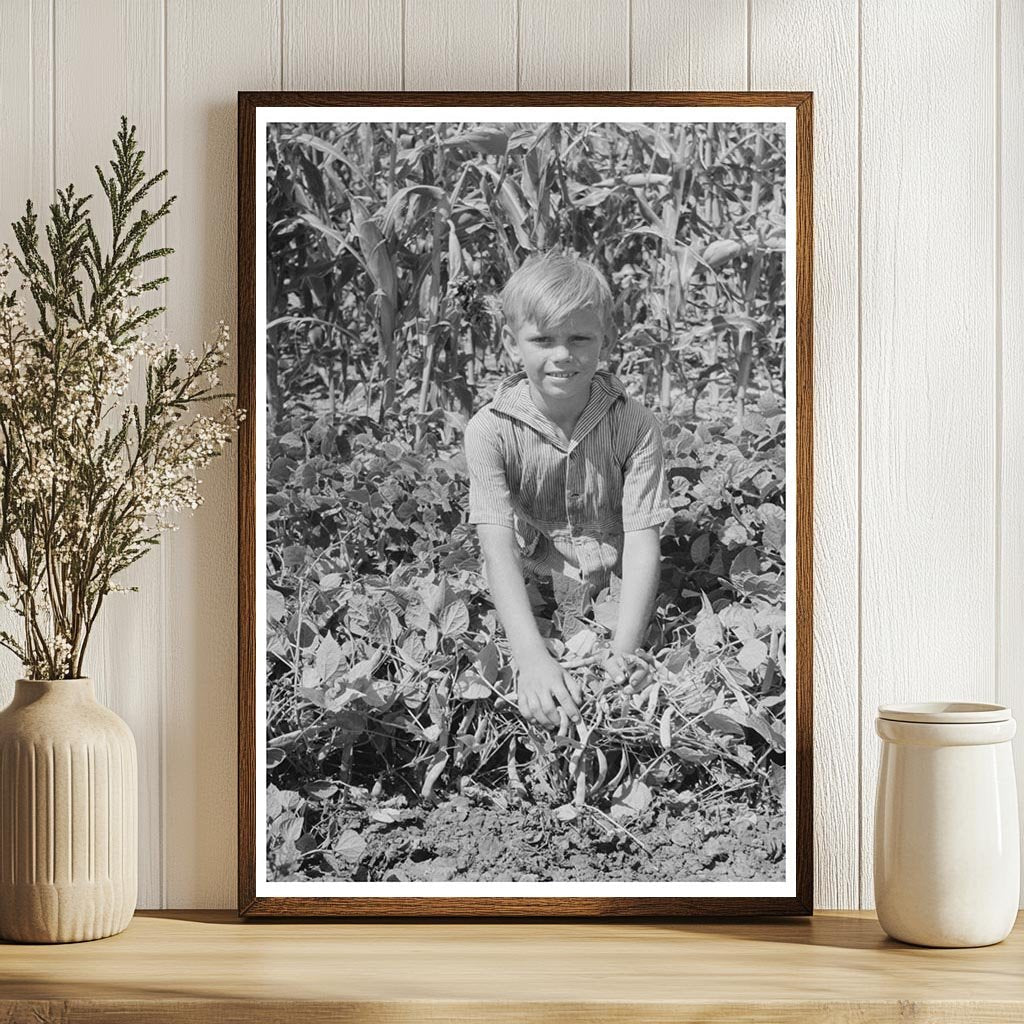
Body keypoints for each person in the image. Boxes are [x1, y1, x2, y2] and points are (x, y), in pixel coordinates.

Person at [464, 251, 673, 730]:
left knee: (635, 685)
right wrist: (531, 659)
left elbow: (643, 541)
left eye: (579, 338)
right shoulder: (490, 431)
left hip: (616, 593)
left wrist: (624, 651)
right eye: (542, 340)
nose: (562, 355)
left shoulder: (635, 425)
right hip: (531, 588)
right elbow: (497, 551)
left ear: (606, 338)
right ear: (512, 343)